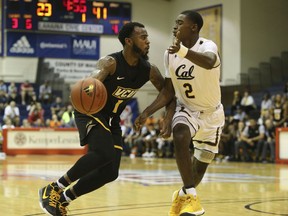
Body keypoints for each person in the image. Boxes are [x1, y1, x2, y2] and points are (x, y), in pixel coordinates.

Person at [38, 22, 174, 216]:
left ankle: (63, 199)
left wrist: (147, 113)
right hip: (91, 112)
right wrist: (83, 91)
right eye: (143, 37)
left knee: (110, 172)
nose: (148, 41)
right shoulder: (110, 63)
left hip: (112, 119)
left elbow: (167, 92)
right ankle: (54, 187)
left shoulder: (148, 70)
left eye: (147, 37)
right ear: (129, 41)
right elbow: (88, 87)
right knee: (103, 153)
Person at [134, 10, 224, 216]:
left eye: (180, 23)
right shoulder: (169, 54)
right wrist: (147, 111)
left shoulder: (208, 46)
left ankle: (182, 195)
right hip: (187, 109)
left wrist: (183, 51)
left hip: (212, 115)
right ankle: (191, 196)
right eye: (174, 23)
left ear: (193, 27)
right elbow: (167, 90)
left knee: (198, 170)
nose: (175, 27)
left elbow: (210, 62)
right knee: (180, 135)